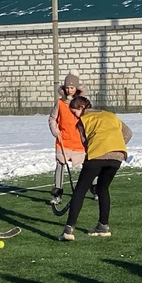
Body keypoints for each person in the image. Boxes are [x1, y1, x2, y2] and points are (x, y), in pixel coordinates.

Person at [59, 96, 132, 241]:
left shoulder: (83, 120)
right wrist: (115, 146)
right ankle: (103, 226)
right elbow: (128, 133)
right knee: (102, 188)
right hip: (117, 155)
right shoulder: (110, 115)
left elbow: (85, 142)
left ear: (81, 108)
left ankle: (68, 230)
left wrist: (95, 152)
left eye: (74, 112)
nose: (75, 116)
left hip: (97, 154)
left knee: (80, 190)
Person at [48, 70, 88, 205]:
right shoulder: (60, 103)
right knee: (60, 165)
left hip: (79, 141)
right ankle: (57, 194)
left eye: (72, 87)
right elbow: (52, 118)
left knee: (88, 165)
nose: (69, 90)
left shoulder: (83, 103)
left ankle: (94, 189)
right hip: (63, 140)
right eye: (67, 87)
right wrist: (55, 130)